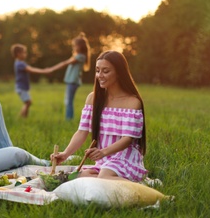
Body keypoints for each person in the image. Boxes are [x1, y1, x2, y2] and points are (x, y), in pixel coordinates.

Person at [51, 50, 147, 182]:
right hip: (105, 160)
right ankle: (121, 181)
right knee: (82, 177)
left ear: (119, 72)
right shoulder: (93, 99)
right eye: (97, 70)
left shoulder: (132, 102)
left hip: (125, 156)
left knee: (104, 177)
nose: (100, 75)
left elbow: (128, 139)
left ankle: (144, 188)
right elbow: (82, 132)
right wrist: (65, 154)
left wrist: (104, 152)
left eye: (106, 71)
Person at [48, 32, 91, 120]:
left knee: (69, 102)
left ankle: (69, 119)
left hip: (73, 81)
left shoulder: (80, 56)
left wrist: (51, 69)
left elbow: (64, 63)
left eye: (74, 46)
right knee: (68, 101)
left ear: (80, 46)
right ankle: (69, 118)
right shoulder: (77, 56)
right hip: (71, 81)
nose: (73, 47)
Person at [11, 43, 51, 117]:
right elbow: (32, 70)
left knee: (28, 102)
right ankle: (21, 117)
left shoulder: (20, 63)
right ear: (18, 54)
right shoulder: (20, 64)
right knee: (28, 102)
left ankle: (23, 117)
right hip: (21, 87)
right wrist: (44, 71)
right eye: (24, 52)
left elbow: (31, 68)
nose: (26, 54)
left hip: (22, 87)